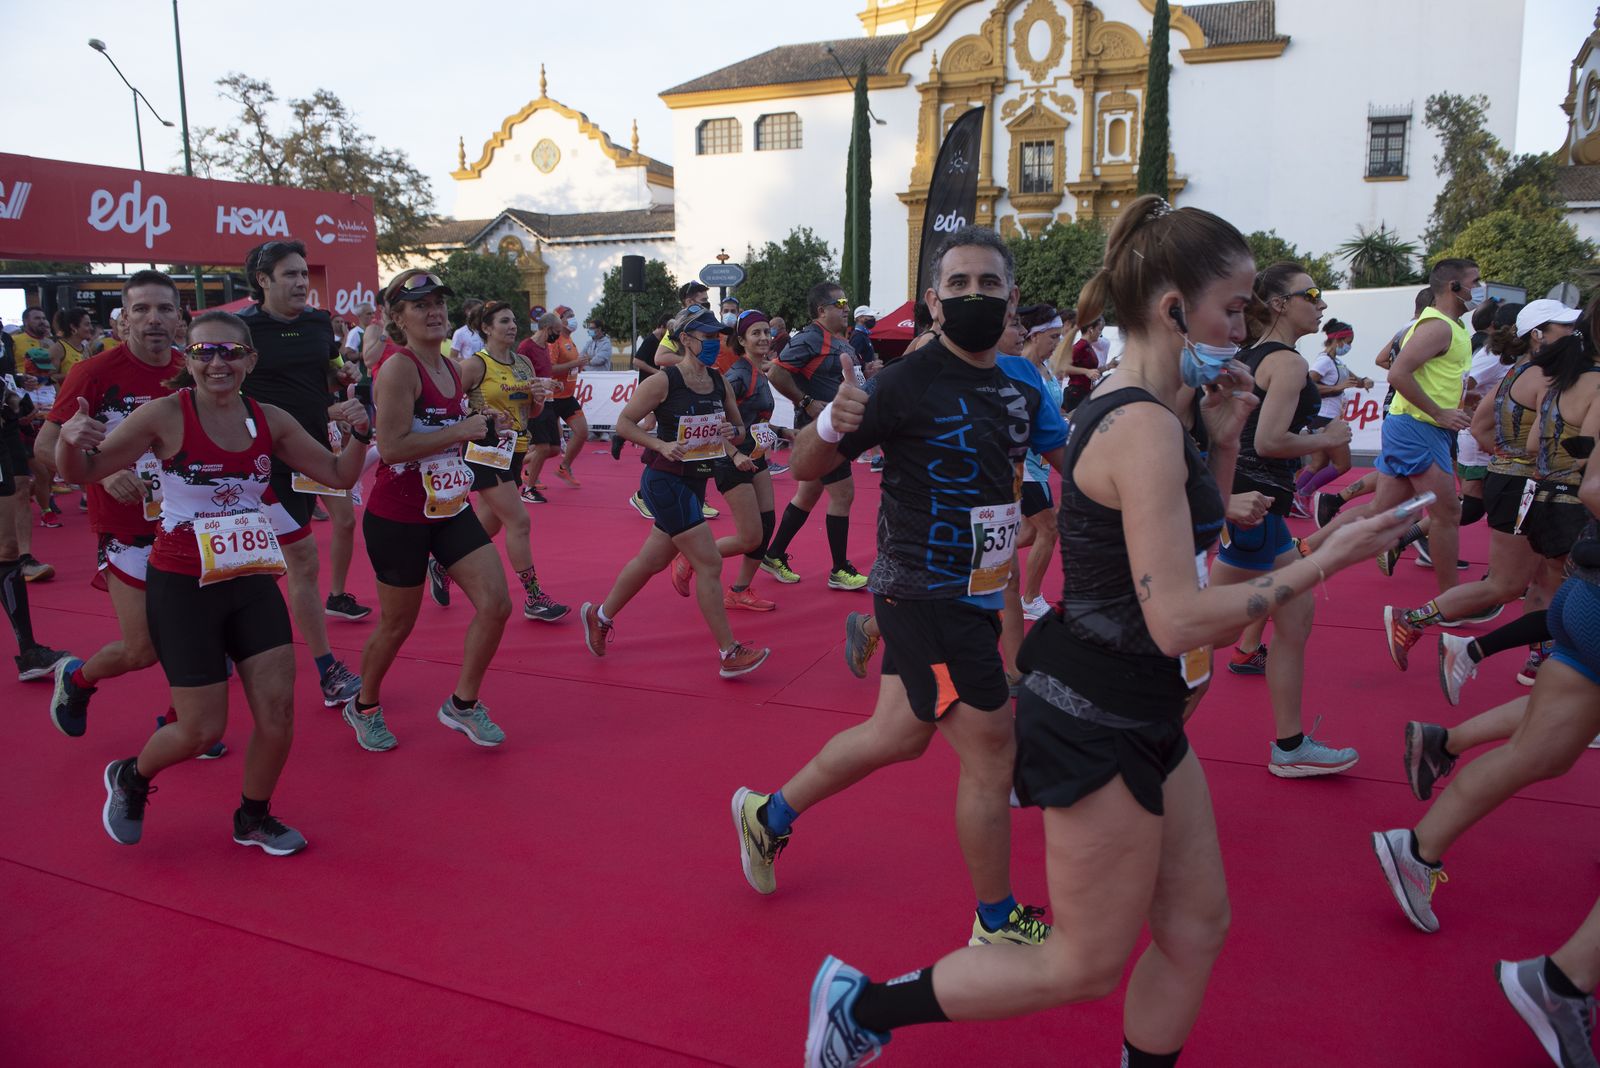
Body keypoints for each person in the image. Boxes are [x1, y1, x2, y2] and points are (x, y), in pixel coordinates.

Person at [799, 199, 1410, 1068]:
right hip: (1092, 709)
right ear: (1171, 307)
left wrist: (1227, 449)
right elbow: (1176, 616)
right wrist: (1323, 557)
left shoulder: (1158, 411)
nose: (1247, 329)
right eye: (1233, 309)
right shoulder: (1137, 424)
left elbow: (1179, 552)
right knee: (1083, 964)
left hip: (1144, 702)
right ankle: (861, 1007)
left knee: (1198, 927)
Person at [736, 227, 1068, 959]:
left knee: (896, 735)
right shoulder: (901, 384)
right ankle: (994, 918)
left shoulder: (1021, 382)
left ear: (1010, 296)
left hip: (979, 591)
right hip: (923, 597)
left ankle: (769, 812)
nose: (974, 296)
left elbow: (1068, 454)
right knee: (990, 751)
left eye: (988, 284)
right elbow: (806, 462)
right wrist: (830, 419)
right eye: (959, 285)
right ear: (932, 302)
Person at [57, 308, 372, 853]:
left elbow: (340, 475)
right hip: (183, 583)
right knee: (201, 731)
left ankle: (253, 816)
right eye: (204, 352)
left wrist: (359, 433)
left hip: (249, 578)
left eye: (230, 352)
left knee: (278, 714)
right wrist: (71, 438)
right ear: (189, 358)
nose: (217, 362)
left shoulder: (268, 418)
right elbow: (80, 473)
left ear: (250, 359)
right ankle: (131, 776)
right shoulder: (164, 414)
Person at [1373, 464, 1600, 937]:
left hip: (1582, 585)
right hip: (1567, 557)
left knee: (1542, 749)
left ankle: (1421, 838)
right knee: (1504, 587)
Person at [41, 271, 234, 758]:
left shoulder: (191, 370)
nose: (154, 319)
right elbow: (47, 443)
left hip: (193, 526)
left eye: (164, 309)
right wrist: (100, 474)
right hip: (127, 528)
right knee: (141, 649)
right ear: (124, 319)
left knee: (204, 631)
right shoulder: (95, 373)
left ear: (179, 318)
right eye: (141, 310)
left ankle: (183, 722)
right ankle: (78, 678)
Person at [340, 270, 512, 752]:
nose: (434, 311)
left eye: (439, 303)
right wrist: (462, 430)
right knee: (398, 624)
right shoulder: (398, 368)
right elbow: (392, 447)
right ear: (397, 318)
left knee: (497, 604)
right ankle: (365, 705)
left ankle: (462, 704)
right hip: (398, 516)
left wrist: (481, 423)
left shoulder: (453, 367)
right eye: (420, 305)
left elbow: (451, 425)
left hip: (449, 507)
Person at [1385, 300, 1592, 673]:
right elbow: (1538, 442)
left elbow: (1480, 428)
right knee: (1507, 584)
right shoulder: (1549, 378)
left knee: (1542, 580)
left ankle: (1537, 659)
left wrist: (1503, 459)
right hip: (1526, 487)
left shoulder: (1516, 374)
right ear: (1538, 335)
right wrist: (1526, 462)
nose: (1574, 333)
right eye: (1564, 327)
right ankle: (1412, 618)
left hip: (1511, 481)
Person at [1210, 263, 1360, 777]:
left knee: (1293, 620)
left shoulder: (1254, 356)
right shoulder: (1288, 364)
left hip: (1255, 506)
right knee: (1198, 631)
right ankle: (1101, 703)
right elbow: (1269, 441)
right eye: (1311, 294)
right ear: (1277, 303)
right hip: (1255, 508)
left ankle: (1290, 746)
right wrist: (1330, 436)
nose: (1321, 304)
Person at [580, 306, 770, 677]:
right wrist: (659, 444)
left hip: (696, 481)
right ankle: (728, 652)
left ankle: (599, 615)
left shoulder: (719, 382)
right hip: (665, 480)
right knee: (710, 563)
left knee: (650, 562)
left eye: (717, 337)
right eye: (707, 338)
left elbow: (738, 430)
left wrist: (732, 435)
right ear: (685, 340)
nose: (715, 344)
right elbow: (623, 423)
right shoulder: (664, 381)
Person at [237, 240, 365, 708]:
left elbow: (323, 375)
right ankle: (327, 669)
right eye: (289, 274)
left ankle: (328, 606)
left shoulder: (316, 323)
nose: (300, 282)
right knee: (298, 560)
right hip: (261, 461)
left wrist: (342, 382)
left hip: (313, 450)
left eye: (302, 274)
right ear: (263, 281)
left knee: (336, 530)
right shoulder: (241, 330)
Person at [429, 299, 568, 623]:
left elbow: (531, 413)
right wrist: (479, 417)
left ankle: (441, 563)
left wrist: (537, 399)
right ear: (486, 328)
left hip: (515, 451)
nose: (511, 326)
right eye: (503, 321)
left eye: (513, 320)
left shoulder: (523, 363)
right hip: (484, 451)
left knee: (486, 525)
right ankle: (533, 598)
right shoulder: (476, 365)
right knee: (519, 521)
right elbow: (448, 405)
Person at [761, 281, 869, 590]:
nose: (847, 308)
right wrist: (806, 403)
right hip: (823, 431)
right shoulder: (810, 338)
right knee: (844, 493)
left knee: (808, 494)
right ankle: (839, 569)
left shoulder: (841, 341)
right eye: (841, 303)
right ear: (822, 310)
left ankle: (774, 553)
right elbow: (777, 372)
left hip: (837, 427)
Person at [676, 309, 781, 611]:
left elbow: (754, 421)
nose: (763, 337)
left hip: (755, 457)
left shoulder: (760, 370)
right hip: (730, 461)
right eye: (756, 333)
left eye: (766, 331)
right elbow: (710, 421)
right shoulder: (737, 375)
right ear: (743, 340)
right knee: (750, 537)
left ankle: (739, 590)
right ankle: (692, 555)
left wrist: (788, 431)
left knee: (766, 523)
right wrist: (734, 454)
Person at [0, 330, 71, 680]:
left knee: (18, 496)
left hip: (6, 429)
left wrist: (14, 391)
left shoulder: (3, 336)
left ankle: (28, 651)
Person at [1013, 304, 1065, 621]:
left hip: (1042, 465)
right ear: (1034, 335)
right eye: (1054, 336)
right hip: (1024, 465)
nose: (1057, 342)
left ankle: (971, 562)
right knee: (1049, 528)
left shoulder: (1043, 368)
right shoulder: (1019, 367)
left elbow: (1049, 414)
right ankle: (1030, 599)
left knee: (1029, 534)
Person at [1292, 319, 1369, 517]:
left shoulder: (1337, 362)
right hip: (1325, 420)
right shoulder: (1324, 361)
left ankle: (1293, 497)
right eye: (1349, 342)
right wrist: (1336, 388)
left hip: (1324, 419)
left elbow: (1354, 380)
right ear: (1338, 341)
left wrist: (1364, 382)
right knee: (1343, 465)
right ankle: (1303, 494)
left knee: (1319, 464)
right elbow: (1307, 384)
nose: (1350, 346)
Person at [527, 305, 588, 490]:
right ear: (558, 321)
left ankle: (564, 466)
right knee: (545, 446)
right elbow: (550, 369)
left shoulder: (570, 340)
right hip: (552, 398)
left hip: (567, 396)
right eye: (568, 316)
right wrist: (574, 364)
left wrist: (578, 366)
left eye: (573, 315)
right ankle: (526, 470)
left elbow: (569, 367)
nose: (572, 319)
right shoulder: (553, 342)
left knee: (582, 432)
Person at [517, 311, 559, 504]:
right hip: (534, 403)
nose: (557, 335)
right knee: (542, 447)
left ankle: (516, 464)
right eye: (556, 331)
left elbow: (543, 375)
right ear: (547, 328)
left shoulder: (544, 348)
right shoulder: (526, 347)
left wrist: (551, 383)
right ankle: (529, 489)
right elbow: (519, 377)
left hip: (549, 402)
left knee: (554, 449)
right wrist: (543, 383)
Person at [1062, 314, 1105, 412]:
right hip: (1076, 393)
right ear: (1091, 329)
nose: (1100, 333)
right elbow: (1063, 366)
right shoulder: (1080, 347)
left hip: (1084, 392)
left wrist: (1108, 366)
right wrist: (1086, 372)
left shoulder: (1087, 346)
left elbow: (1091, 371)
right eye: (1099, 329)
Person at [53, 308, 98, 381]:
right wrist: (74, 375)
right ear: (73, 327)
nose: (91, 328)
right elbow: (50, 378)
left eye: (90, 324)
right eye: (87, 324)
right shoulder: (58, 348)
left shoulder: (86, 348)